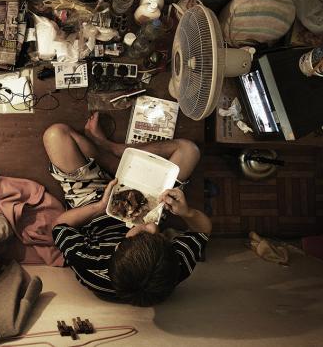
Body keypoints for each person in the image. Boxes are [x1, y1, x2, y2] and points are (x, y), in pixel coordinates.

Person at [44, 113, 212, 306]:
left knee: (56, 134)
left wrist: (100, 206)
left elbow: (60, 225)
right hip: (151, 202)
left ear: (117, 247)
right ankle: (111, 149)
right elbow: (203, 230)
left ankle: (106, 156)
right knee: (189, 151)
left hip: (90, 203)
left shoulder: (89, 264)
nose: (151, 227)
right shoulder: (169, 269)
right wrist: (186, 213)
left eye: (142, 232)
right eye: (159, 236)